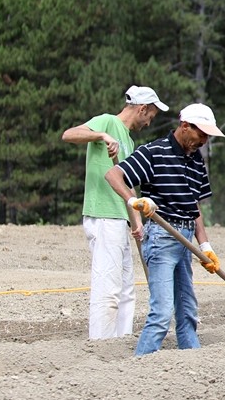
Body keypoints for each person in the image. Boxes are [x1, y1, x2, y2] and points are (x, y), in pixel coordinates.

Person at [104, 103, 225, 356]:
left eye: (207, 136)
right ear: (184, 126)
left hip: (186, 240)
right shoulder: (154, 152)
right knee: (161, 313)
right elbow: (113, 175)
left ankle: (192, 363)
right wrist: (132, 201)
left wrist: (205, 246)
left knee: (187, 312)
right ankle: (141, 366)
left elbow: (195, 206)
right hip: (162, 238)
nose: (204, 141)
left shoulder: (196, 161)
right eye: (201, 134)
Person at [61, 85, 168, 339]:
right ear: (142, 109)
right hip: (104, 216)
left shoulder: (129, 140)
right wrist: (101, 136)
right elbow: (69, 135)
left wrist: (136, 222)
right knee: (107, 288)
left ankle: (122, 341)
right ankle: (100, 344)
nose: (150, 121)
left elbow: (127, 186)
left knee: (126, 289)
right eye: (151, 114)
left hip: (120, 218)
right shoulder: (108, 122)